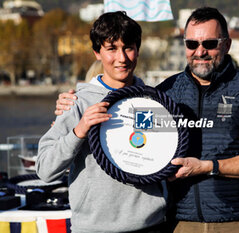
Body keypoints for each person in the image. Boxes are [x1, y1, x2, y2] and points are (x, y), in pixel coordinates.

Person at [55, 7, 239, 233]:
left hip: (237, 221)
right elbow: (137, 144)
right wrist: (72, 111)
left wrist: (207, 167)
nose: (200, 51)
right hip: (179, 223)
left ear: (226, 44)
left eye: (209, 43)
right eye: (192, 44)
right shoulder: (163, 94)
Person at [36, 12, 167, 233]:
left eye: (128, 47)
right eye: (112, 48)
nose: (122, 58)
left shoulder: (156, 101)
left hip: (152, 224)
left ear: (138, 49)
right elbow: (44, 169)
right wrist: (79, 131)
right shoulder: (77, 103)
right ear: (97, 52)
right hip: (94, 228)